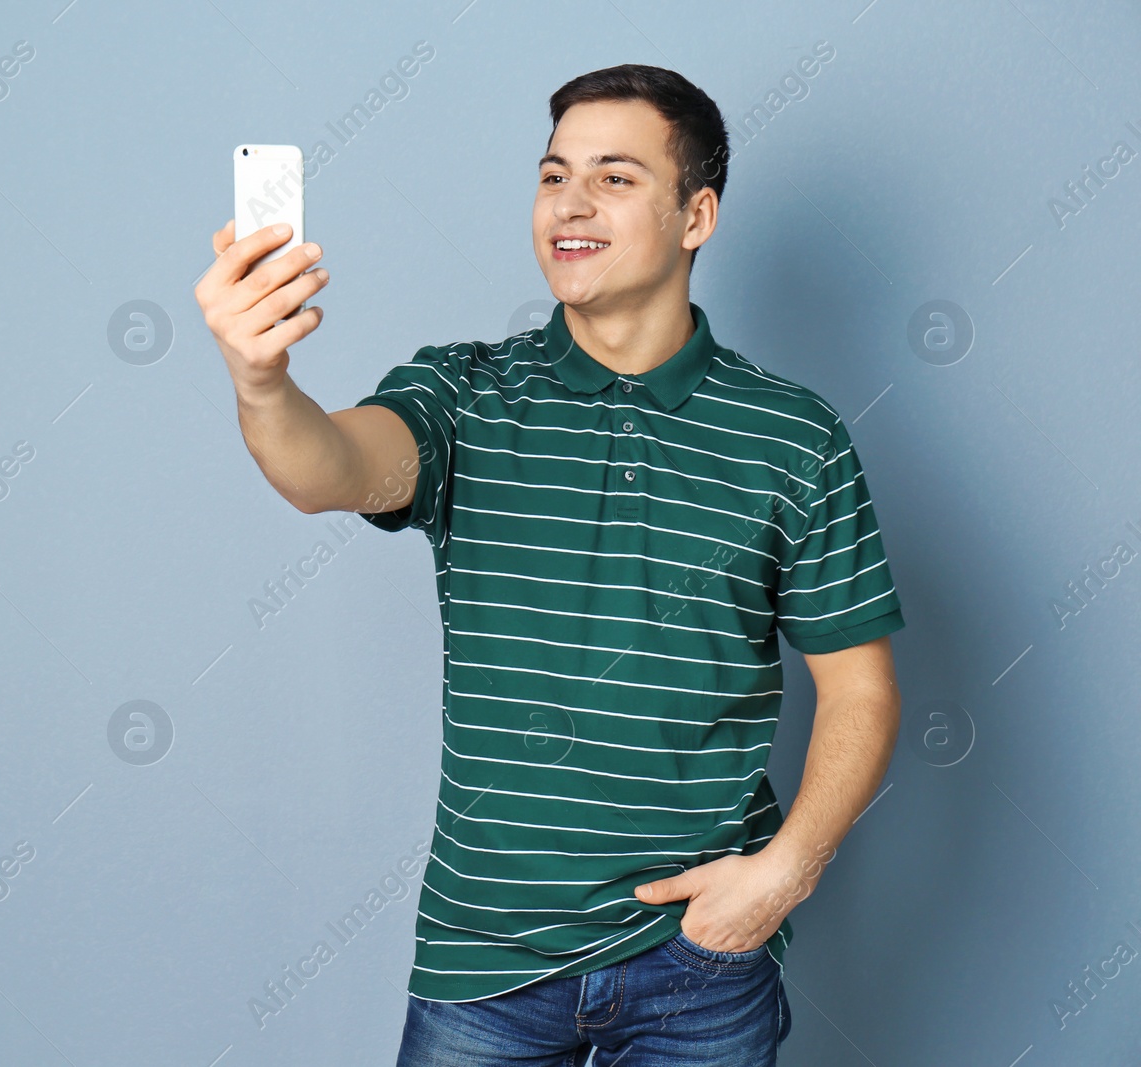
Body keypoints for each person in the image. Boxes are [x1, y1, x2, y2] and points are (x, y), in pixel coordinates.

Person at [195, 63, 904, 1066]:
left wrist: (782, 875)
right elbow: (331, 468)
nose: (569, 203)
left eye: (614, 178)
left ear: (696, 214)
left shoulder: (793, 436)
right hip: (485, 965)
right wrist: (262, 382)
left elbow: (862, 691)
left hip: (697, 963)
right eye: (552, 175)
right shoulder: (463, 394)